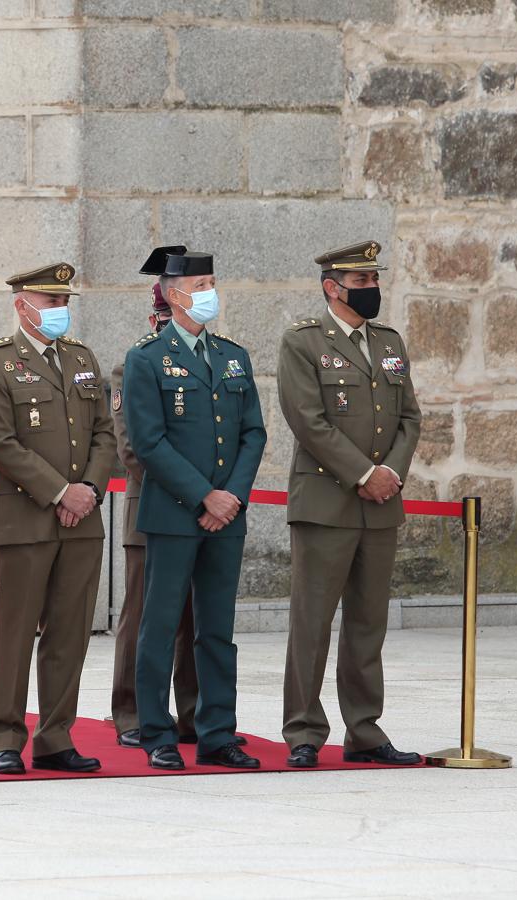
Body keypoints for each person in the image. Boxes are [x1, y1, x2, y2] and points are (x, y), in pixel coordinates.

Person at [277, 240, 422, 769]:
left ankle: (364, 729)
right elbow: (308, 421)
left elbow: (409, 417)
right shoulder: (303, 343)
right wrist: (363, 473)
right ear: (332, 288)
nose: (371, 290)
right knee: (312, 622)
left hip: (381, 505)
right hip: (326, 502)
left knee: (368, 622)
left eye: (374, 281)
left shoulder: (388, 342)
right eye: (360, 283)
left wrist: (391, 474)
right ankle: (304, 731)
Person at [122, 250, 266, 771]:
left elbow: (253, 432)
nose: (209, 293)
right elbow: (149, 442)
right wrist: (205, 495)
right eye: (199, 285)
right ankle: (157, 731)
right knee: (159, 627)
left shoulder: (233, 355)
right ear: (174, 295)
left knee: (216, 630)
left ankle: (217, 731)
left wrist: (231, 497)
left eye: (212, 282)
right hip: (174, 514)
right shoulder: (146, 358)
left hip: (227, 517)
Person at [0, 262, 116, 776]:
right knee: (14, 633)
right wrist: (60, 492)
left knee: (70, 632)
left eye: (63, 301)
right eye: (49, 302)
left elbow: (104, 432)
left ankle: (56, 736)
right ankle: (4, 737)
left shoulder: (80, 358)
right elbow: (0, 444)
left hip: (82, 521)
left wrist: (90, 490)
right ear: (22, 306)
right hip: (25, 520)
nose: (59, 310)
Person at [109, 245, 199, 749]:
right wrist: (192, 492)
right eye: (167, 315)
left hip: (201, 517)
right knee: (144, 617)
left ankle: (191, 714)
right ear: (155, 315)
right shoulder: (133, 367)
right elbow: (131, 450)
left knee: (194, 619)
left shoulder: (212, 363)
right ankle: (132, 712)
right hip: (152, 513)